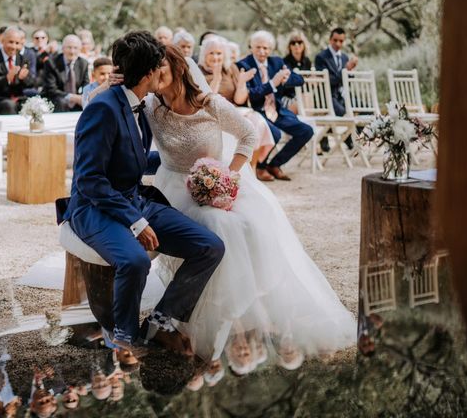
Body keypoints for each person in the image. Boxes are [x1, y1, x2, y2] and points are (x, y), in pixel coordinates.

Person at [144, 44, 356, 364]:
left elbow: (247, 135)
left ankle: (235, 317)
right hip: (172, 186)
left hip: (217, 182)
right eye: (151, 70)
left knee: (240, 227)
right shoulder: (150, 105)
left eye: (161, 69)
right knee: (214, 228)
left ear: (178, 69)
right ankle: (182, 318)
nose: (155, 76)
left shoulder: (209, 103)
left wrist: (225, 178)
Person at [63, 30, 224, 353]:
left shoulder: (142, 105)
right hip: (94, 208)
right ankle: (124, 336)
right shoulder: (103, 109)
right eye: (160, 67)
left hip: (133, 200)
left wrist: (188, 162)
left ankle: (160, 320)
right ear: (149, 73)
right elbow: (90, 180)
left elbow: (133, 160)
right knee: (136, 260)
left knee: (209, 246)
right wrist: (135, 221)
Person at [237, 30, 314, 181]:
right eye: (258, 47)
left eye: (265, 48)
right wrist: (273, 83)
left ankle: (275, 164)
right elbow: (251, 94)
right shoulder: (244, 65)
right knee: (275, 133)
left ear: (270, 49)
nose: (261, 51)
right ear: (251, 47)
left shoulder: (277, 62)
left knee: (306, 131)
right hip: (256, 111)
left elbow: (299, 79)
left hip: (277, 110)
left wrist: (285, 79)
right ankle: (260, 167)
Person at [197, 37, 275, 181]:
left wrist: (242, 83)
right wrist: (216, 77)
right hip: (212, 113)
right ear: (204, 55)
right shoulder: (198, 71)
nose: (215, 57)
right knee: (249, 124)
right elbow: (207, 100)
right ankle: (234, 170)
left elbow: (239, 100)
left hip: (234, 109)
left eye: (219, 53)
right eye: (211, 53)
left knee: (258, 121)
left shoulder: (231, 68)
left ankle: (252, 167)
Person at [314, 27, 359, 151]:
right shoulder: (321, 57)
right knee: (345, 113)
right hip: (326, 97)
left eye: (341, 41)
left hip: (342, 96)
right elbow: (327, 81)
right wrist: (345, 70)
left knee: (364, 109)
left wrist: (351, 70)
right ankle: (343, 137)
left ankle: (348, 136)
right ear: (330, 40)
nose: (338, 44)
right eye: (335, 40)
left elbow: (347, 81)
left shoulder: (345, 57)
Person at [0, 26, 35, 114]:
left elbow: (31, 83)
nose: (14, 47)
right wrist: (7, 78)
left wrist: (23, 78)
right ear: (2, 41)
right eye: (11, 42)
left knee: (35, 105)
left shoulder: (23, 59)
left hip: (19, 98)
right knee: (9, 105)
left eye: (17, 43)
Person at [43, 34, 89, 111]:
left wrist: (82, 97)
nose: (72, 51)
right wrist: (72, 97)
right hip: (56, 100)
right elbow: (51, 89)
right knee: (61, 102)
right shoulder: (51, 62)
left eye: (75, 48)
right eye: (69, 47)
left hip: (76, 101)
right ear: (63, 48)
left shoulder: (83, 63)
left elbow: (86, 85)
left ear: (80, 49)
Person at [281, 31, 312, 114]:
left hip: (304, 97)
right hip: (288, 97)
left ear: (304, 45)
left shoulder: (307, 62)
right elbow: (286, 85)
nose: (296, 45)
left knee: (308, 97)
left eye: (299, 42)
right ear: (289, 46)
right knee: (305, 100)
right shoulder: (284, 62)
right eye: (293, 43)